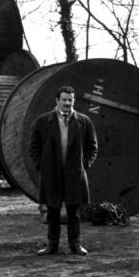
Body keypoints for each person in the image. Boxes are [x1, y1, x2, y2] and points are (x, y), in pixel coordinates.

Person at [29, 85, 98, 255]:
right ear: (57, 101)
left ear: (74, 101)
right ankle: (52, 245)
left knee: (74, 210)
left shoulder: (84, 121)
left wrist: (84, 164)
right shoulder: (43, 121)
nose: (67, 103)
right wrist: (42, 165)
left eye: (70, 100)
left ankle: (75, 244)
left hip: (74, 173)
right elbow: (34, 147)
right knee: (52, 210)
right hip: (52, 173)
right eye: (64, 100)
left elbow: (93, 147)